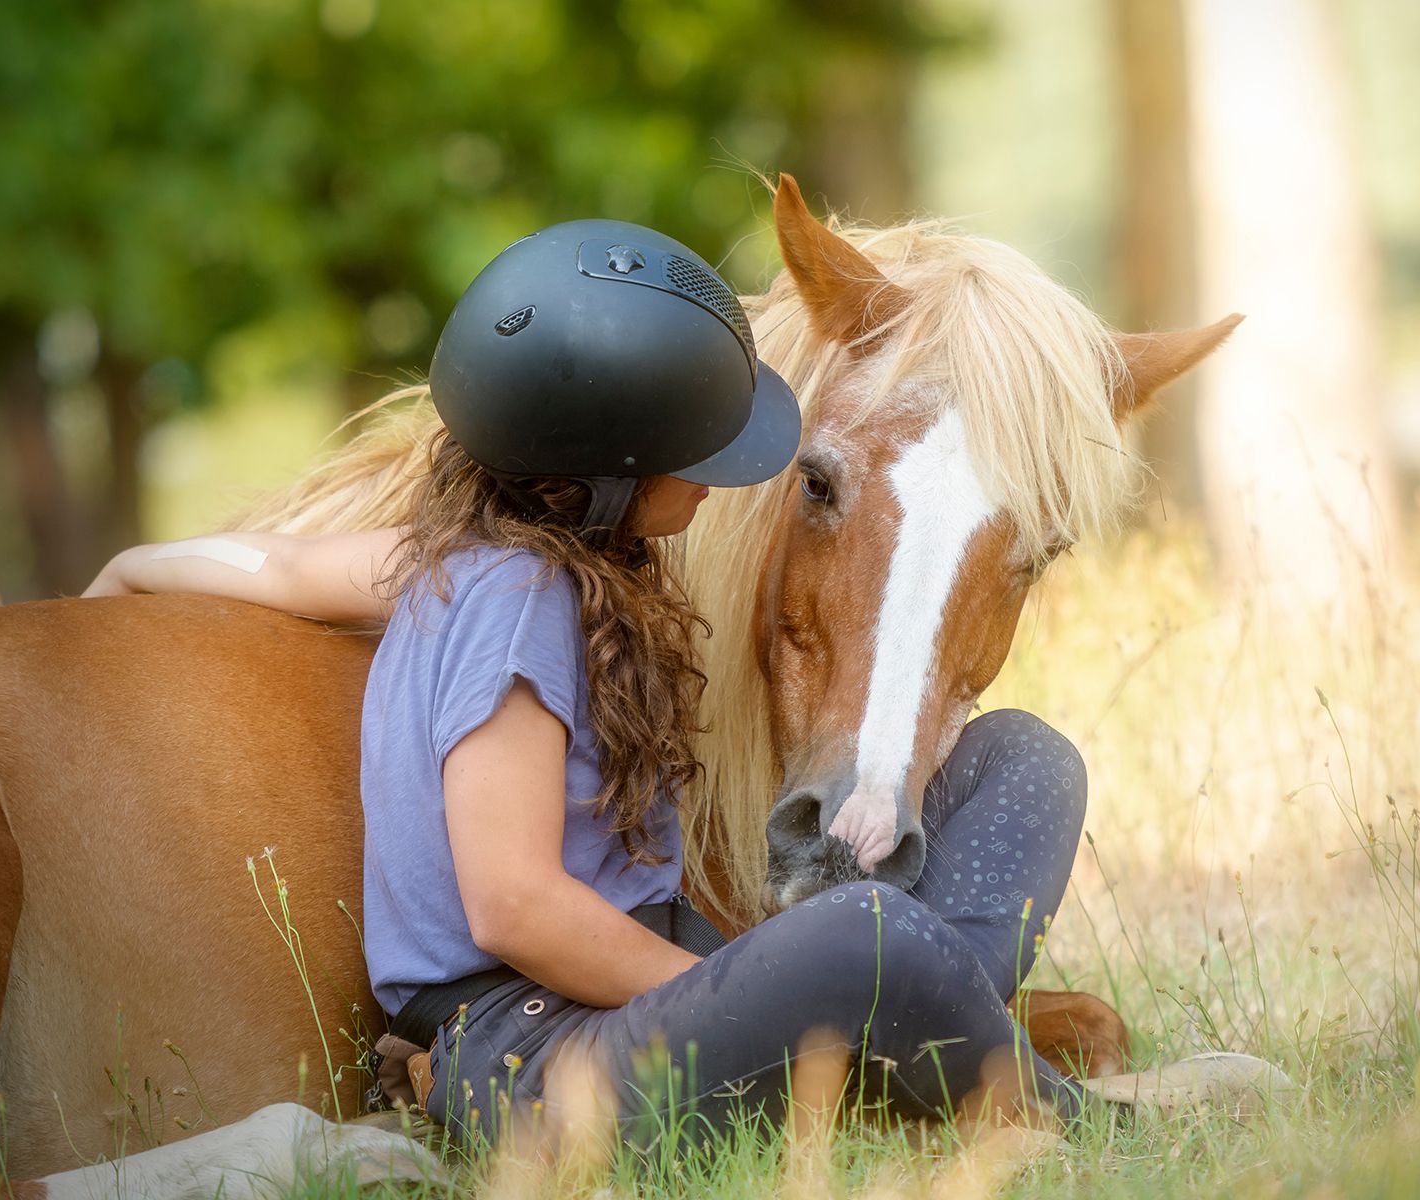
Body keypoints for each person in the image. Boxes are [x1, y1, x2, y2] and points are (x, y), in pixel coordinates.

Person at [85, 218, 1091, 1145]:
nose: (723, 482)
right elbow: (513, 906)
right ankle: (1056, 1110)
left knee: (1025, 762)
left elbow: (289, 568)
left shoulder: (474, 560)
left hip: (607, 1011)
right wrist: (728, 985)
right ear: (608, 472)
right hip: (536, 1055)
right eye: (698, 455)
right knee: (866, 941)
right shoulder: (518, 603)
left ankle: (914, 1047)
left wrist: (132, 569)